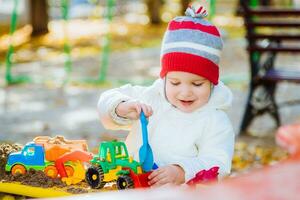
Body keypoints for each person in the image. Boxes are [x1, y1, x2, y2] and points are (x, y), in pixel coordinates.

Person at [97, 4, 235, 187]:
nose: (185, 92)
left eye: (197, 84)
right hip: (132, 186)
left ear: (212, 82)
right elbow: (107, 99)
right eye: (175, 83)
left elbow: (218, 163)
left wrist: (182, 171)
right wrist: (121, 107)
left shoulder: (215, 119)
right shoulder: (151, 97)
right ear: (164, 78)